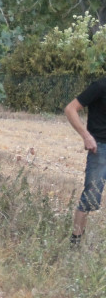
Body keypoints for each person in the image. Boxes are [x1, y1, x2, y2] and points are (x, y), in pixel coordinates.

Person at [64, 77, 106, 248]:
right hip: (100, 149)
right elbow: (70, 109)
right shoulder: (100, 86)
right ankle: (75, 244)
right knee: (90, 197)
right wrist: (86, 136)